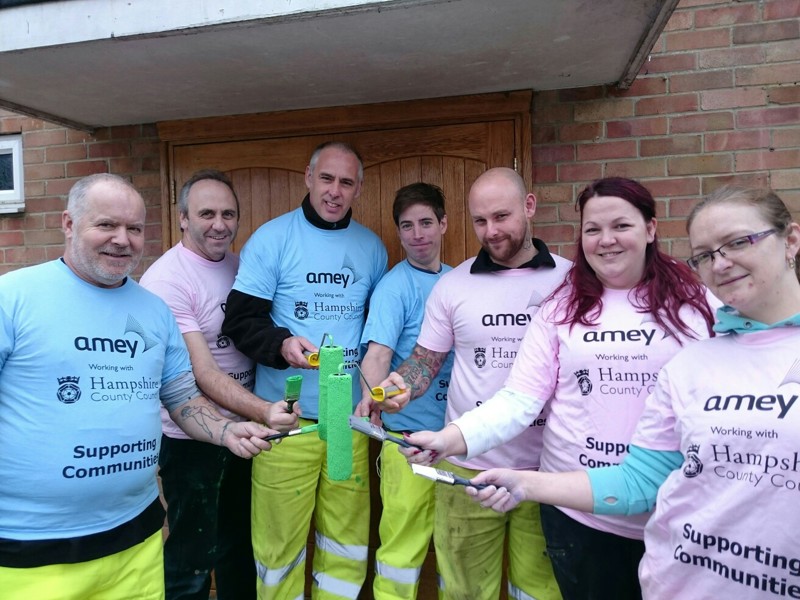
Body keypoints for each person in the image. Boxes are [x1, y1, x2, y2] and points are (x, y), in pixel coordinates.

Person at [463, 186, 800, 599]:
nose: (722, 263)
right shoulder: (693, 364)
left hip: (697, 532)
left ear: (651, 229)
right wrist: (458, 443)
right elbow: (638, 480)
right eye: (707, 255)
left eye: (738, 243)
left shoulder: (701, 309)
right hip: (597, 521)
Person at [405, 177, 717, 599]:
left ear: (651, 228)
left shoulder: (698, 303)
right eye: (592, 230)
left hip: (669, 511)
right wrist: (450, 438)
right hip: (575, 510)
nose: (606, 240)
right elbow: (520, 399)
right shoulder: (563, 304)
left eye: (621, 226)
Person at [0, 173, 275, 600]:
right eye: (106, 225)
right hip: (31, 554)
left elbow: (182, 396)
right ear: (68, 224)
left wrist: (225, 431)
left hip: (137, 541)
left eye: (133, 228)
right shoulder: (12, 299)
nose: (122, 239)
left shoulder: (153, 310)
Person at [379, 167, 569, 600]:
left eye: (501, 217)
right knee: (464, 591)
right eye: (480, 221)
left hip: (550, 472)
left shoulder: (571, 280)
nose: (492, 231)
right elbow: (425, 362)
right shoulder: (453, 284)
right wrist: (402, 386)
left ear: (530, 206)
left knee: (543, 591)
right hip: (467, 471)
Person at [222, 141, 388, 599]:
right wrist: (281, 343)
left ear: (359, 188)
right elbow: (239, 321)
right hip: (285, 418)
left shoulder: (372, 248)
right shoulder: (273, 239)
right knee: (278, 551)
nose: (335, 191)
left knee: (345, 544)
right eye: (327, 179)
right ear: (308, 178)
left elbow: (380, 333)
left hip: (343, 420)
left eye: (346, 182)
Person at [140, 170, 298, 600]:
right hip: (194, 440)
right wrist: (264, 410)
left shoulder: (239, 266)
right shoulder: (167, 281)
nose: (219, 224)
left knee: (239, 548)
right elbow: (203, 374)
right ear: (183, 220)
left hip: (247, 433)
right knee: (193, 556)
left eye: (229, 214)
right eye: (206, 213)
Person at [356, 182, 454, 599]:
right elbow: (377, 355)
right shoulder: (395, 287)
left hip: (456, 441)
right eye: (407, 226)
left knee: (456, 552)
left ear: (444, 224)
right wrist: (371, 399)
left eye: (426, 223)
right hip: (407, 442)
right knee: (402, 550)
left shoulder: (459, 281)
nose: (418, 234)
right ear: (398, 233)